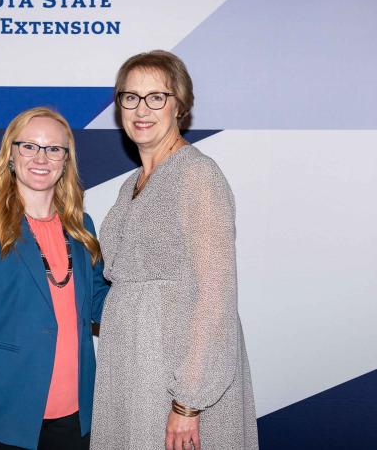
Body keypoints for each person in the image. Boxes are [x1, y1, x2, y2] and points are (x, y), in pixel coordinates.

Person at [91, 51, 259, 450]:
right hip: (131, 370)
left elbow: (215, 295)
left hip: (175, 375)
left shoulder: (197, 174)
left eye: (156, 97)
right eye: (130, 97)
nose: (141, 109)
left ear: (179, 106)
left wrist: (188, 401)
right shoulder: (131, 184)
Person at [0, 107, 110, 450]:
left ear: (66, 161)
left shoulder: (82, 228)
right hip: (9, 418)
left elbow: (99, 303)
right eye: (29, 146)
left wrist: (148, 291)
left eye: (53, 148)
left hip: (79, 415)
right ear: (11, 154)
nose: (41, 158)